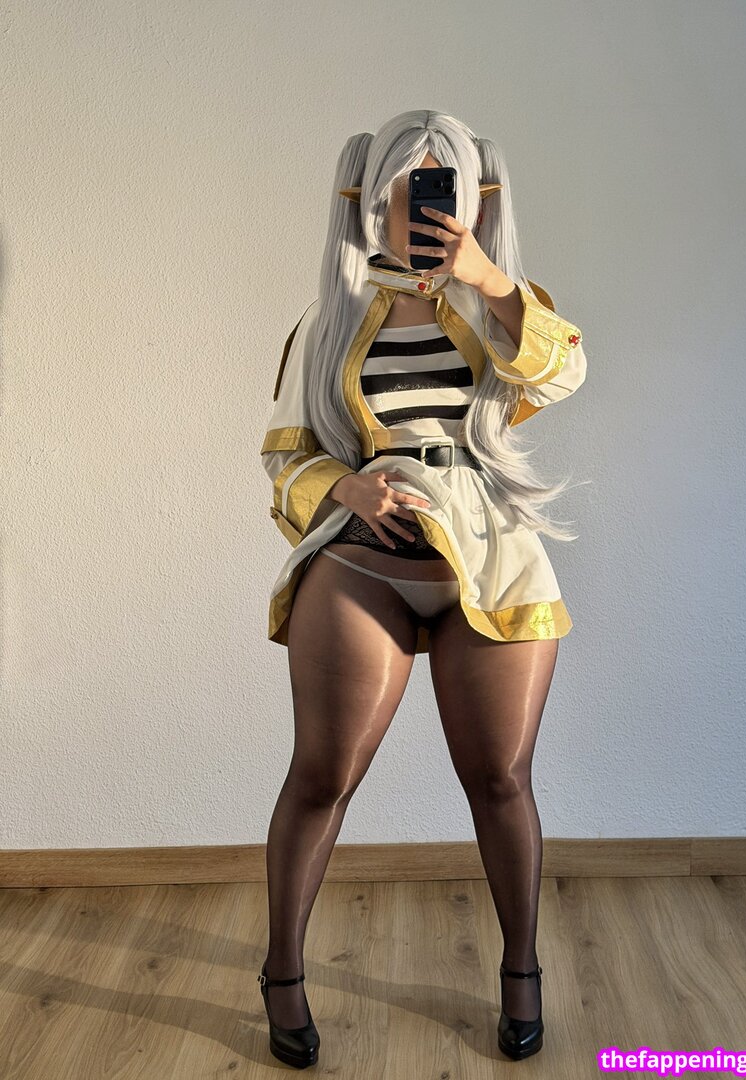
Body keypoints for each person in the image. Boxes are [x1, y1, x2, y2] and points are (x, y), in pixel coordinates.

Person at [256, 109, 587, 1068]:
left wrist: (490, 280)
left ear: (478, 199)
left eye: (447, 187)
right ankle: (282, 972)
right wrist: (346, 486)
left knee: (501, 780)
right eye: (410, 187)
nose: (427, 207)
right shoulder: (330, 320)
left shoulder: (500, 306)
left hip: (491, 563)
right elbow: (284, 456)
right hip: (363, 561)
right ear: (373, 197)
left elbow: (564, 371)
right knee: (323, 774)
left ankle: (521, 972)